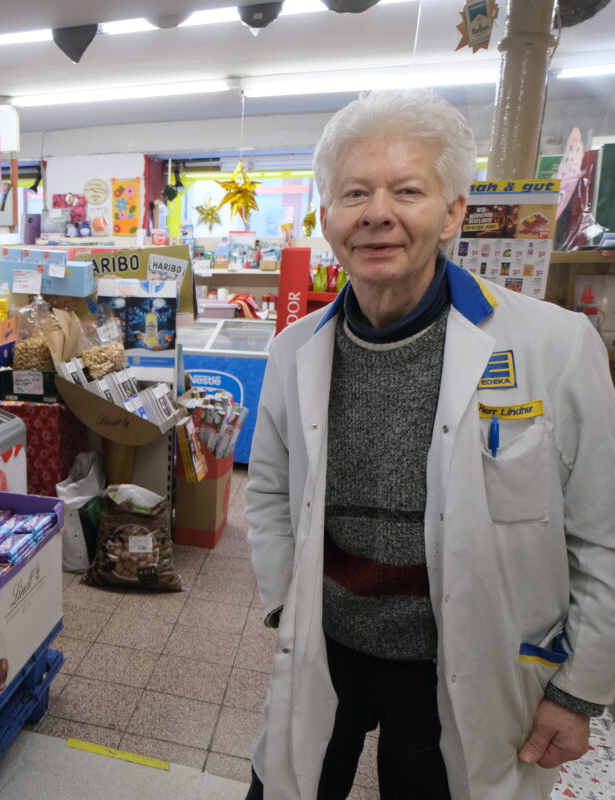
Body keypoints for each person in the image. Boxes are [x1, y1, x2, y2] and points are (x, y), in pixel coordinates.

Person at [244, 88, 615, 799]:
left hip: (466, 660)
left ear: (451, 213)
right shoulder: (296, 350)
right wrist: (286, 606)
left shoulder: (554, 346)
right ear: (327, 218)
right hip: (328, 646)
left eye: (406, 190)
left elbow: (601, 532)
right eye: (354, 192)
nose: (377, 213)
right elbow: (265, 488)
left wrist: (578, 691)